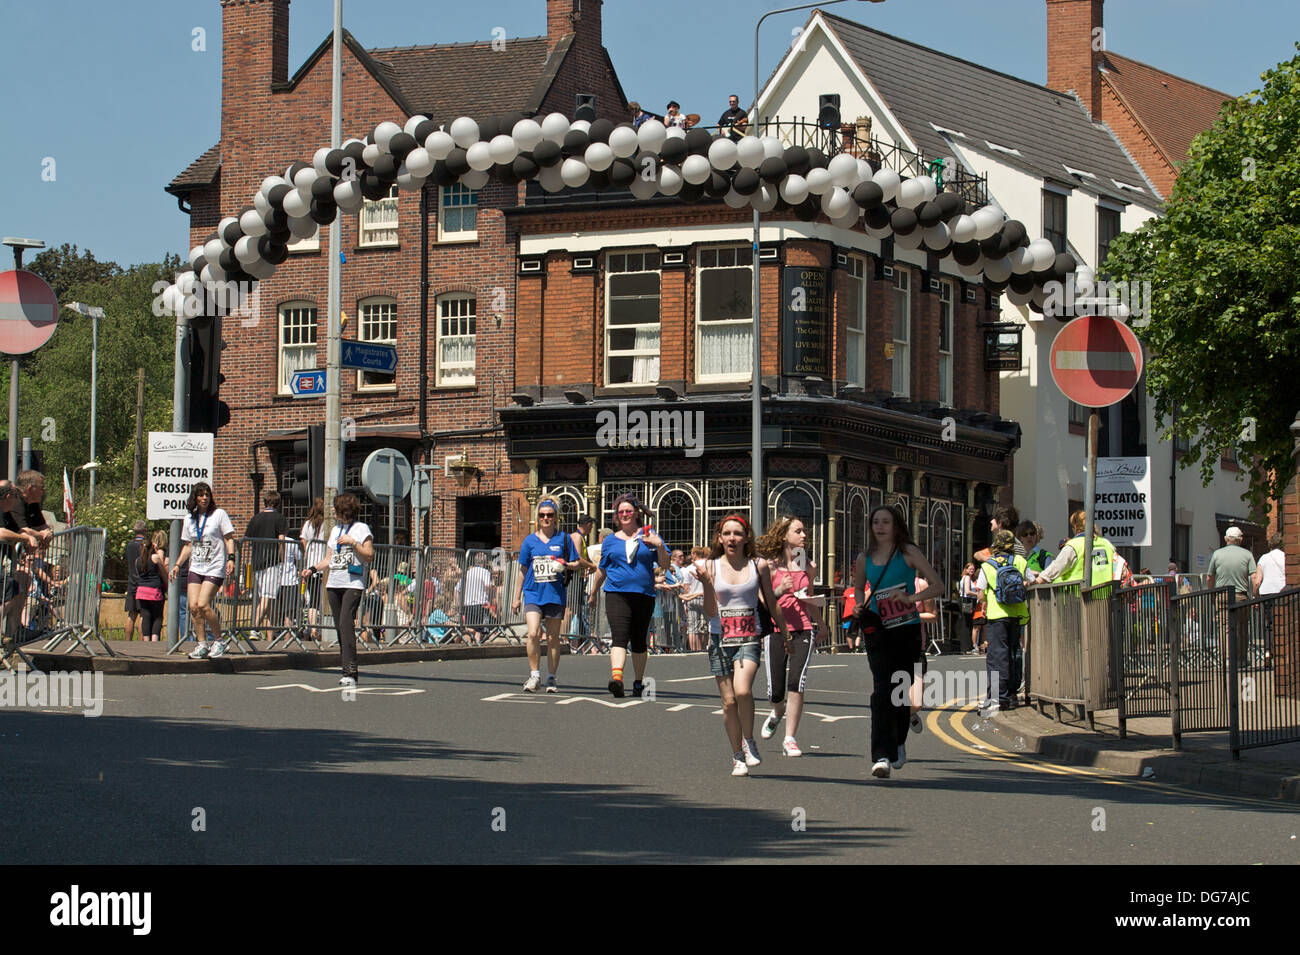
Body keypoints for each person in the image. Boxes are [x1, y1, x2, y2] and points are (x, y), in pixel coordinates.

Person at [852, 505, 943, 779]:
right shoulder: (864, 558)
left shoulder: (908, 553)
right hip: (877, 627)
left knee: (900, 689)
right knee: (881, 689)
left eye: (885, 522)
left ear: (896, 526)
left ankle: (899, 742)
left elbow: (938, 585)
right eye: (875, 522)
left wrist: (910, 600)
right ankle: (881, 755)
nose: (880, 527)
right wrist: (858, 605)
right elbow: (858, 587)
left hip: (906, 627)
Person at [695, 515, 790, 776]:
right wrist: (705, 584)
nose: (732, 538)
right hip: (719, 638)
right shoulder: (710, 566)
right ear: (720, 538)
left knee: (743, 691)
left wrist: (785, 635)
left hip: (749, 636)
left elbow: (772, 603)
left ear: (747, 537)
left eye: (738, 533)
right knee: (728, 702)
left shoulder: (758, 565)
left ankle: (748, 741)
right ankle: (737, 755)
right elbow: (711, 611)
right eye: (727, 534)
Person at [588, 493, 668, 698]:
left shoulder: (648, 535)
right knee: (619, 636)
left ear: (636, 513)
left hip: (643, 594)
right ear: (616, 516)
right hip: (616, 593)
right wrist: (594, 592)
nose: (625, 515)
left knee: (639, 640)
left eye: (629, 511)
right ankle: (617, 678)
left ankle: (639, 682)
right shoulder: (610, 541)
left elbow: (664, 566)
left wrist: (658, 545)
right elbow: (602, 569)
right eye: (621, 512)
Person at [756, 516, 822, 758]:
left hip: (803, 628)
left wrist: (821, 623)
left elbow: (809, 597)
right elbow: (763, 600)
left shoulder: (807, 565)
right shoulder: (769, 565)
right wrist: (779, 590)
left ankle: (790, 738)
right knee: (776, 690)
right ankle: (776, 711)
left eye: (804, 531)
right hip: (775, 629)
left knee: (797, 682)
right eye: (798, 531)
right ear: (784, 535)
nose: (804, 535)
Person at [302, 492, 374, 687]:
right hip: (334, 583)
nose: (332, 510)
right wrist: (312, 569)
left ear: (344, 509)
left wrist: (354, 543)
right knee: (339, 627)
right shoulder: (334, 531)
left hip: (353, 583)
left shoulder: (361, 529)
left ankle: (350, 671)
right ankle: (346, 669)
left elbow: (369, 555)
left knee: (346, 624)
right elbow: (329, 558)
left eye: (335, 507)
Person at [512, 499, 578, 693]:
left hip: (555, 594)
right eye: (542, 515)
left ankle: (551, 677)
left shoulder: (564, 539)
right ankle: (534, 676)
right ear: (537, 518)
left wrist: (564, 564)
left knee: (552, 638)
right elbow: (523, 569)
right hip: (533, 592)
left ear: (556, 517)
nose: (546, 518)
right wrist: (516, 597)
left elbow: (576, 563)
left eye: (550, 515)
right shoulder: (529, 541)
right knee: (532, 633)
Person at [170, 482, 236, 658]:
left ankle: (220, 641)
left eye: (207, 494)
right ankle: (202, 644)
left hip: (214, 566)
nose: (204, 498)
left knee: (203, 604)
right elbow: (188, 545)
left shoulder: (219, 514)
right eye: (200, 495)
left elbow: (229, 538)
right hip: (197, 566)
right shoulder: (189, 519)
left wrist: (231, 558)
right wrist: (177, 564)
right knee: (193, 607)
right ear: (195, 498)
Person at [977, 529, 1035, 717]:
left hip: (997, 615)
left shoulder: (988, 565)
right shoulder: (1019, 561)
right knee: (1014, 652)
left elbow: (980, 594)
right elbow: (1031, 580)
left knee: (997, 657)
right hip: (1017, 613)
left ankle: (997, 697)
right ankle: (1011, 694)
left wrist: (986, 597)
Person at [245, 490, 289, 641]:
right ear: (278, 503)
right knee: (267, 597)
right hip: (272, 562)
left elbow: (248, 539)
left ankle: (271, 632)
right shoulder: (279, 518)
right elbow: (281, 540)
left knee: (267, 598)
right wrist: (282, 558)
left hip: (257, 562)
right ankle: (254, 628)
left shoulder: (255, 518)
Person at [1035, 510, 1119, 587]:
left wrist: (1039, 579)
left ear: (1074, 527)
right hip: (1106, 597)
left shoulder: (1074, 545)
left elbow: (1057, 567)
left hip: (1080, 597)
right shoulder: (1106, 544)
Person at [135, 530, 170, 642]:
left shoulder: (137, 561)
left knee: (146, 616)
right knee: (157, 617)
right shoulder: (155, 558)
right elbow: (163, 573)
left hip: (141, 591)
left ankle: (146, 639)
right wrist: (168, 587)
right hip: (154, 590)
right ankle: (155, 639)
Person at [300, 498, 327, 641]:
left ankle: (312, 628)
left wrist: (308, 553)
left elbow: (303, 541)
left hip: (310, 565)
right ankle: (317, 629)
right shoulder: (326, 524)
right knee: (321, 601)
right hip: (322, 565)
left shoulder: (307, 524)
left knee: (312, 601)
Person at [677, 545, 709, 651]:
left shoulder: (688, 569)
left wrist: (686, 599)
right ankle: (704, 648)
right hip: (705, 597)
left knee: (692, 627)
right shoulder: (708, 565)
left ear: (694, 554)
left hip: (691, 598)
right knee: (707, 625)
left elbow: (686, 587)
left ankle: (694, 649)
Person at [123, 521, 148, 640]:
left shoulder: (129, 545)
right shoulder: (145, 545)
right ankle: (142, 643)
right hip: (143, 582)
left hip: (131, 581)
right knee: (143, 614)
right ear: (145, 530)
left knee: (131, 614)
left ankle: (127, 641)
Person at [959, 562, 985, 653]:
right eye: (970, 569)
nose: (972, 570)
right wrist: (978, 594)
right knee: (967, 623)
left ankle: (966, 646)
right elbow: (967, 591)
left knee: (967, 623)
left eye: (973, 569)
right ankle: (966, 647)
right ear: (966, 569)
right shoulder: (967, 577)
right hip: (968, 601)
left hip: (966, 600)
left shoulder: (965, 578)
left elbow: (961, 591)